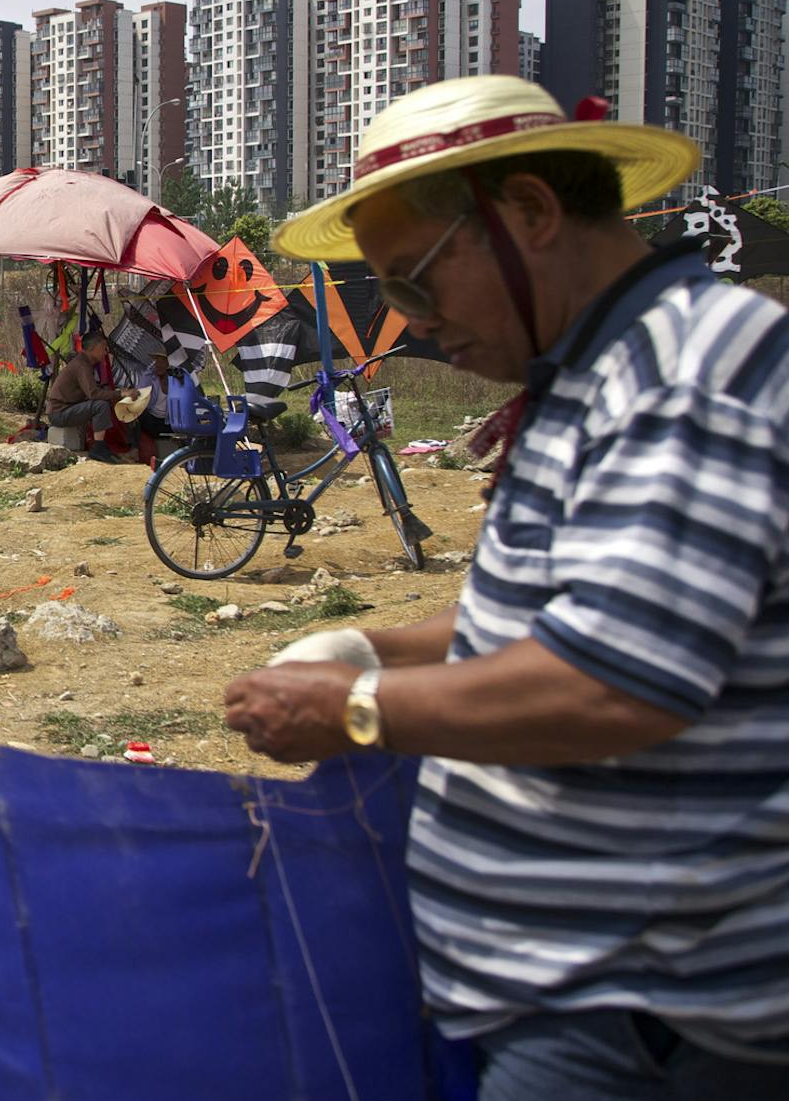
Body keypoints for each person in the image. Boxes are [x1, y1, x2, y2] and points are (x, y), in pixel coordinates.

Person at [219, 76, 789, 1099]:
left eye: (415, 282)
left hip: (639, 1012)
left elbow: (613, 684)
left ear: (528, 212)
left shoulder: (683, 378)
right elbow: (559, 617)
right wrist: (377, 649)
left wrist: (354, 709)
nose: (411, 323)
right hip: (566, 993)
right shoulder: (589, 375)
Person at [42, 326, 126, 462]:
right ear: (93, 348)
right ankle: (98, 447)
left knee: (104, 401)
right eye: (103, 348)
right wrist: (121, 393)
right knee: (100, 405)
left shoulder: (84, 363)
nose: (106, 352)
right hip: (59, 412)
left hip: (65, 409)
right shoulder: (82, 365)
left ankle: (101, 445)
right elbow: (93, 394)